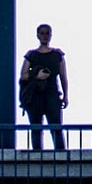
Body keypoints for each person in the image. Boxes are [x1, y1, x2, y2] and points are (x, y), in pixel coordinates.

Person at [18, 23, 67, 151]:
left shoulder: (57, 55)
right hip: (35, 95)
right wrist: (36, 76)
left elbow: (63, 76)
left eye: (47, 33)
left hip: (52, 94)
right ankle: (37, 155)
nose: (45, 36)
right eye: (42, 33)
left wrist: (66, 95)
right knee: (36, 127)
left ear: (50, 35)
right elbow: (23, 75)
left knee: (55, 126)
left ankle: (61, 155)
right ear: (37, 35)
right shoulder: (32, 55)